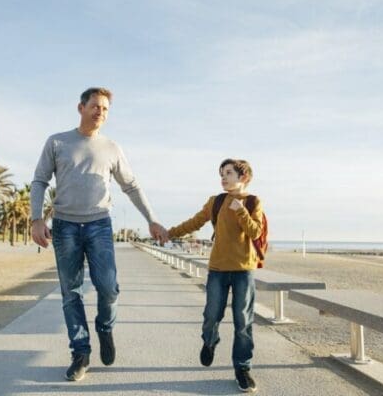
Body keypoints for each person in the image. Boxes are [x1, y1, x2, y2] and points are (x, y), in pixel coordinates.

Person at [30, 87, 169, 381]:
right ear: (81, 107)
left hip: (99, 225)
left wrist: (152, 219)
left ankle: (105, 328)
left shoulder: (112, 148)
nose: (100, 112)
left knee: (108, 287)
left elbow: (131, 186)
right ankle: (80, 352)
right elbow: (39, 180)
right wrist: (36, 219)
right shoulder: (57, 142)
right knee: (71, 293)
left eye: (105, 109)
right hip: (65, 226)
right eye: (95, 106)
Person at [167, 158, 263, 393]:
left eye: (228, 173)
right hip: (218, 269)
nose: (223, 177)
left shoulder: (252, 202)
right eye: (221, 173)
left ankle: (242, 368)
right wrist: (169, 233)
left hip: (243, 270)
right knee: (212, 315)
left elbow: (255, 231)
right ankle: (210, 341)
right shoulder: (216, 201)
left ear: (243, 177)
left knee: (243, 322)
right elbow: (195, 222)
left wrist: (241, 212)